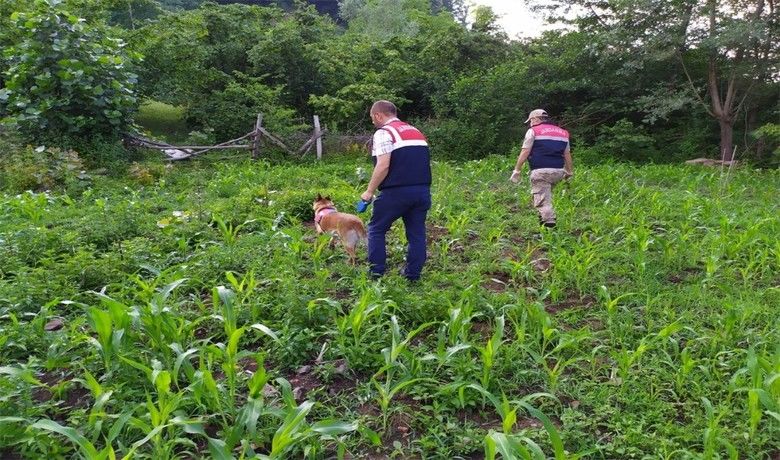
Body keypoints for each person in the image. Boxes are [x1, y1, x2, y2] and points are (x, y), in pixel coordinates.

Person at [360, 100, 432, 281]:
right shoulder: (415, 131)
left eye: (372, 118)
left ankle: (376, 274)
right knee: (416, 233)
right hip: (422, 191)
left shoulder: (384, 133)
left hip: (396, 193)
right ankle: (412, 275)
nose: (372, 122)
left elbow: (383, 165)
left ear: (378, 115)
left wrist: (369, 191)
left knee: (376, 229)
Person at [510, 109, 573, 228]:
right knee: (544, 197)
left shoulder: (533, 131)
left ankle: (549, 230)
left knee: (543, 203)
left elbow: (525, 151)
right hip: (558, 172)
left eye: (531, 121)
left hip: (541, 171)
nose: (530, 123)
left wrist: (517, 170)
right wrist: (569, 171)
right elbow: (567, 154)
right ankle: (544, 223)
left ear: (536, 119)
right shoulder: (563, 132)